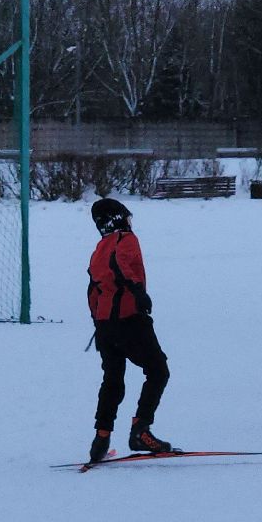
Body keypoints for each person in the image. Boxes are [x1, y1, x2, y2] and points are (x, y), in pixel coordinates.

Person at [86, 198, 173, 463]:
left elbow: (93, 289)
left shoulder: (99, 248)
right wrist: (137, 290)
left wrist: (97, 320)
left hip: (104, 326)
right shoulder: (125, 239)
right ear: (117, 219)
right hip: (129, 319)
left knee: (113, 380)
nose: (130, 222)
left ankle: (101, 438)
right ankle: (140, 430)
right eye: (127, 217)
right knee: (158, 370)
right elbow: (121, 263)